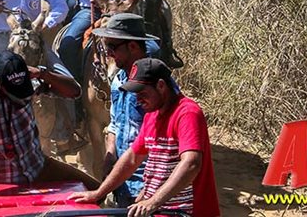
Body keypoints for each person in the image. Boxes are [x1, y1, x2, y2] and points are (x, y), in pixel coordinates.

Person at [69, 58, 220, 217]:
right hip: (160, 210)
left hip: (186, 211)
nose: (138, 100)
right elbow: (132, 158)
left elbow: (191, 163)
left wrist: (152, 202)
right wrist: (99, 193)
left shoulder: (187, 113)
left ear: (161, 86)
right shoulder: (152, 116)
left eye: (143, 93)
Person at [0, 50, 99, 189]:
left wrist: (43, 74)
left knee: (95, 190)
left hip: (39, 168)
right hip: (3, 182)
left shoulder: (30, 84)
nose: (20, 96)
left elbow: (74, 92)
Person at [91, 14, 162, 207]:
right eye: (106, 48)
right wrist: (109, 155)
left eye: (112, 47)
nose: (108, 54)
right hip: (122, 181)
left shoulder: (157, 86)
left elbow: (166, 141)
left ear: (132, 46)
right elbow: (115, 123)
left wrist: (152, 187)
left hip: (146, 184)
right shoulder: (117, 80)